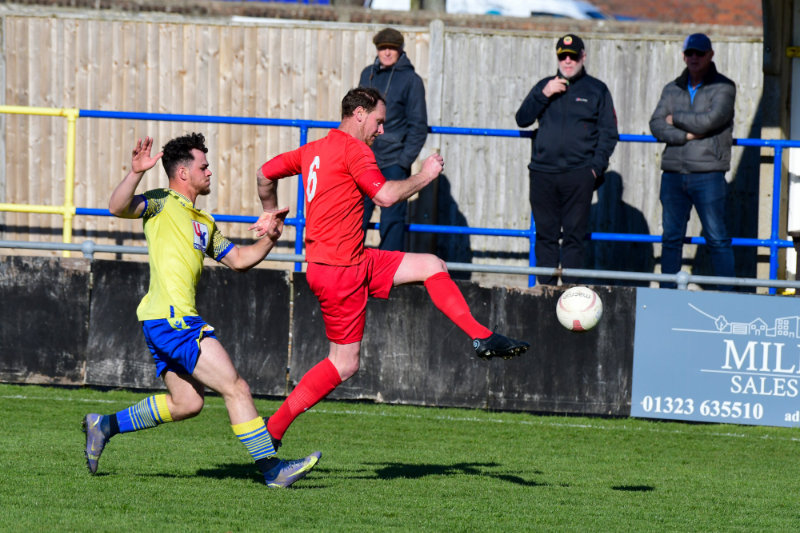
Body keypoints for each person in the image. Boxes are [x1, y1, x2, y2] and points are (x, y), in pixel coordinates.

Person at [252, 87, 529, 448]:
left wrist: (270, 211)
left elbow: (263, 174)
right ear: (360, 114)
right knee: (344, 363)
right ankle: (272, 430)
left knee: (431, 264)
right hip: (343, 271)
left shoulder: (313, 149)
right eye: (379, 121)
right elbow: (384, 197)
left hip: (344, 261)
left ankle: (481, 335)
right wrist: (426, 175)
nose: (381, 130)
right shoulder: (356, 150)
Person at [82, 133, 320, 488]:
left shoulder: (203, 222)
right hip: (173, 319)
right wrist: (136, 173)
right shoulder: (161, 201)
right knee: (236, 387)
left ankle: (103, 426)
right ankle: (273, 471)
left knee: (188, 403)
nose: (210, 172)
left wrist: (270, 237)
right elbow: (118, 207)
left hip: (162, 322)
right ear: (183, 173)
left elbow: (239, 260)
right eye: (203, 167)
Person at [515, 33, 618, 285]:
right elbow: (522, 119)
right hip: (543, 173)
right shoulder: (544, 86)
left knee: (574, 237)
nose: (568, 61)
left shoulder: (597, 89)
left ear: (583, 56)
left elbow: (609, 133)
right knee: (545, 236)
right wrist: (544, 93)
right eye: (563, 57)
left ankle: (572, 295)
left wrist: (594, 169)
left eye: (573, 56)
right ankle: (545, 292)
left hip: (579, 174)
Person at [649, 33, 736, 291]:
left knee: (717, 238)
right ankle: (667, 297)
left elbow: (711, 120)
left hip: (708, 173)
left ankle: (728, 298)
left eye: (700, 53)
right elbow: (655, 124)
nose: (694, 58)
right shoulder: (672, 88)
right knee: (671, 238)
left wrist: (675, 118)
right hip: (673, 173)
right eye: (690, 53)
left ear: (710, 55)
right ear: (683, 56)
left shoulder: (724, 87)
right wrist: (686, 135)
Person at [359, 27, 428, 251]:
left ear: (401, 50)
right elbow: (357, 116)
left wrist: (403, 161)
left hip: (393, 163)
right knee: (355, 217)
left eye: (392, 48)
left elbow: (418, 126)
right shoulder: (367, 74)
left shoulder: (412, 80)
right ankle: (349, 266)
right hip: (364, 160)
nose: (387, 52)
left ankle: (389, 270)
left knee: (392, 223)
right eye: (382, 48)